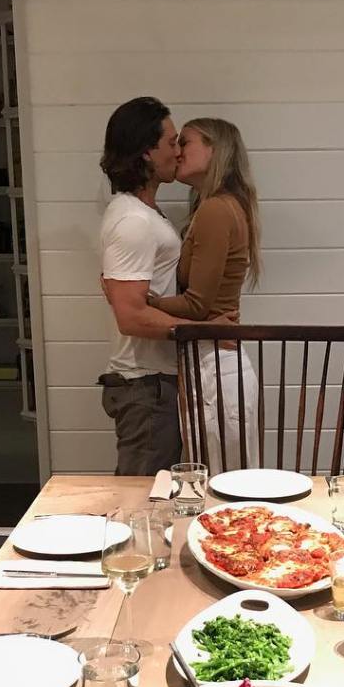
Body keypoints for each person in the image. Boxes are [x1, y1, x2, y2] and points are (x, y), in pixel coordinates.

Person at [147, 118, 262, 472]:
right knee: (222, 480)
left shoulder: (216, 209)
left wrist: (143, 303)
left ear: (215, 150)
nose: (178, 151)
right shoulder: (221, 206)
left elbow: (197, 304)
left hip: (215, 364)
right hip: (214, 360)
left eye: (188, 142)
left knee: (221, 485)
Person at [98, 96, 184, 476]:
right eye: (172, 142)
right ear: (148, 152)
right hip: (146, 388)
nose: (178, 152)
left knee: (161, 502)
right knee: (141, 505)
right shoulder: (133, 220)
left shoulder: (146, 215)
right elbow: (130, 316)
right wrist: (206, 333)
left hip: (155, 385)